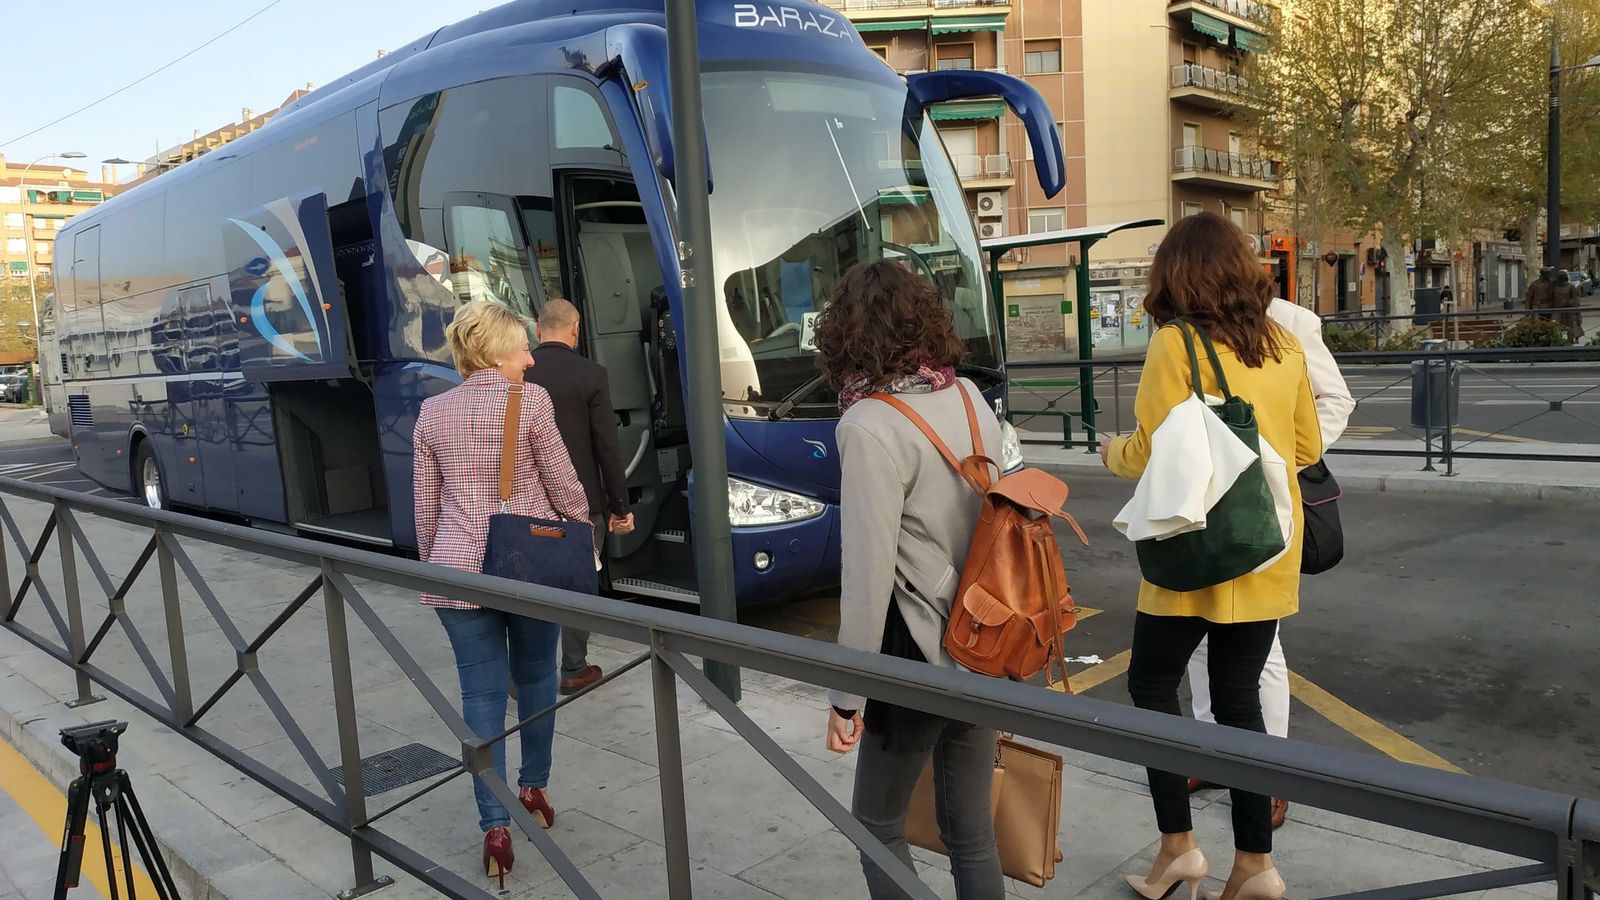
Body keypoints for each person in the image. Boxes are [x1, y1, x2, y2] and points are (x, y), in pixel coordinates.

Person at [1101, 213, 1322, 900]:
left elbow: (1152, 450)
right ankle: (1256, 864)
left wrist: (1110, 450)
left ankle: (1178, 849)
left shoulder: (1175, 344)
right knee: (1239, 702)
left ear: (1176, 273)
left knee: (1150, 688)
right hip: (1263, 549)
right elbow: (1309, 449)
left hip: (1194, 553)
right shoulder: (1284, 345)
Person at [815, 260, 1004, 900]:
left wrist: (847, 697)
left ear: (846, 336)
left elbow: (867, 580)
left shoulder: (868, 425)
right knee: (971, 832)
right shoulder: (971, 397)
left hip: (915, 653)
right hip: (985, 641)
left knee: (875, 822)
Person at [412, 299, 591, 888]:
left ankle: (494, 827)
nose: (528, 362)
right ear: (493, 352)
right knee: (538, 678)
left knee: (480, 697)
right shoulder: (531, 402)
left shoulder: (432, 413)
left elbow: (425, 509)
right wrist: (582, 535)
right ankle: (532, 787)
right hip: (529, 567)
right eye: (520, 349)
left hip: (459, 570)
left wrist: (434, 564)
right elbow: (562, 483)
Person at [1184, 295, 1353, 829]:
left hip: (1264, 499)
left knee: (1261, 646)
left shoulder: (1291, 322)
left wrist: (1280, 456)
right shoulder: (1188, 322)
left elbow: (1335, 400)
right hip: (1204, 497)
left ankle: (1269, 773)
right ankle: (1213, 753)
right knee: (1197, 634)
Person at [524, 297, 635, 695]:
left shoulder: (518, 373)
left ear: (537, 331)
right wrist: (620, 507)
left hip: (527, 501)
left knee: (531, 581)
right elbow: (607, 445)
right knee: (578, 582)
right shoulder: (592, 374)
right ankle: (573, 668)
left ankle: (528, 670)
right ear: (576, 330)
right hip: (581, 503)